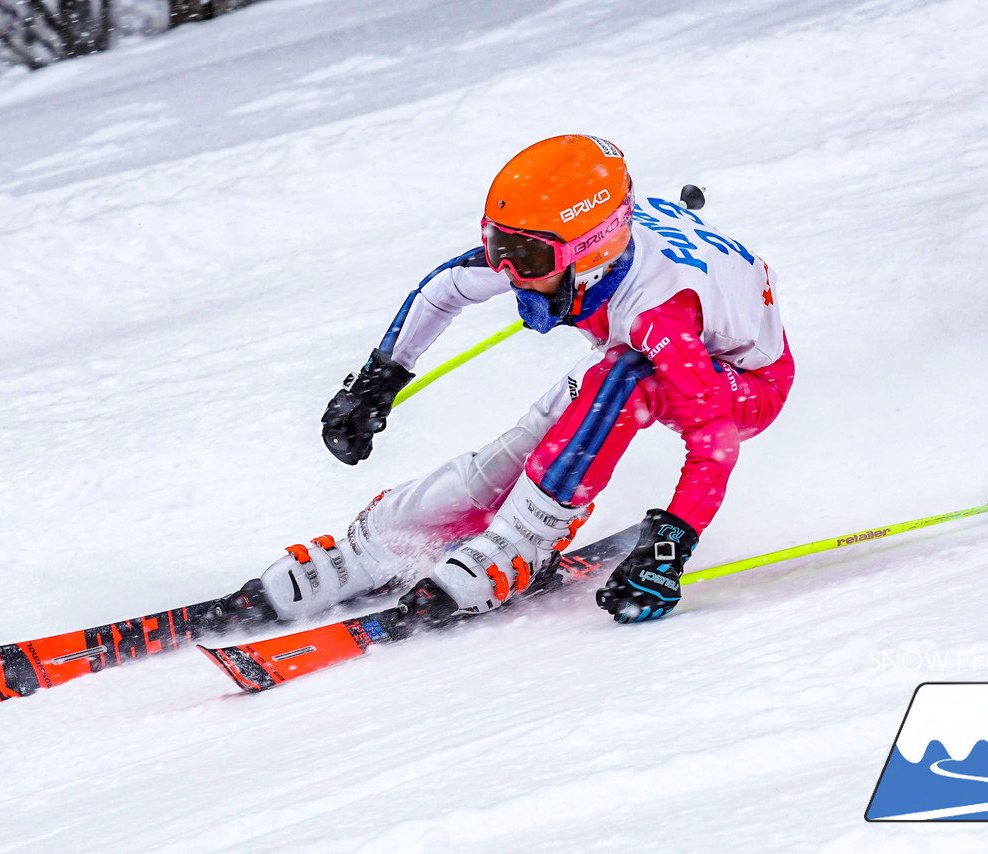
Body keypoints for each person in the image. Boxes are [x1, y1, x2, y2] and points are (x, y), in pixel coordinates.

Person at [247, 134, 794, 626]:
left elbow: (714, 440)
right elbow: (446, 287)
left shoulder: (658, 319)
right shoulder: (563, 251)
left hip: (741, 386)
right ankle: (388, 539)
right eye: (496, 245)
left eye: (526, 256)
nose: (507, 271)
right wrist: (377, 381)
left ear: (592, 251)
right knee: (539, 432)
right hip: (637, 344)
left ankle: (526, 540)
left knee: (620, 375)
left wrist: (669, 547)